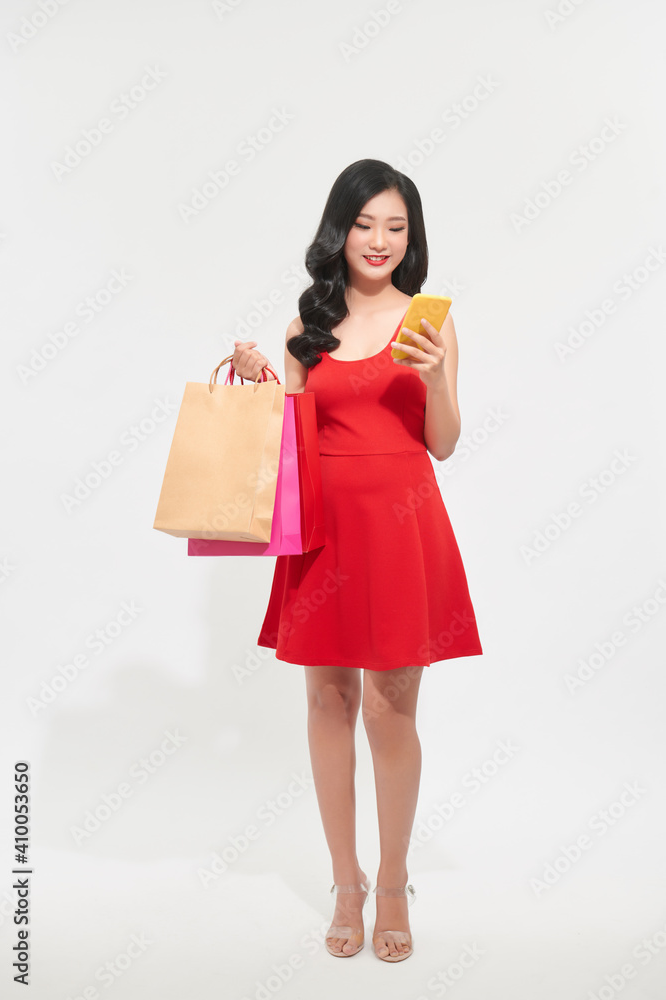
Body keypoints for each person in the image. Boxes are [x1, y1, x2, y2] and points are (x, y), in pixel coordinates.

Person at [230, 158, 483, 962]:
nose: (379, 240)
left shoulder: (429, 321)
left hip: (401, 529)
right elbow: (290, 446)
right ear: (339, 232)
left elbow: (441, 445)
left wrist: (438, 379)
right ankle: (345, 881)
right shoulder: (310, 325)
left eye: (395, 226)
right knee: (328, 704)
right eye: (365, 224)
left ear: (411, 237)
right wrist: (263, 381)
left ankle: (394, 879)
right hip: (324, 530)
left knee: (390, 710)